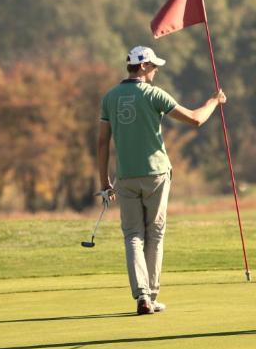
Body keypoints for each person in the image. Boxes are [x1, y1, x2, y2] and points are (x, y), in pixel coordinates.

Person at [97, 45, 227, 315]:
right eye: (154, 65)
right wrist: (214, 101)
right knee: (154, 234)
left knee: (133, 235)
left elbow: (102, 143)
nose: (156, 70)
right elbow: (195, 119)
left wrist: (104, 182)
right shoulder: (153, 94)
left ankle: (142, 296)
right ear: (143, 66)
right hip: (155, 174)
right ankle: (151, 295)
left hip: (126, 177)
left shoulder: (110, 97)